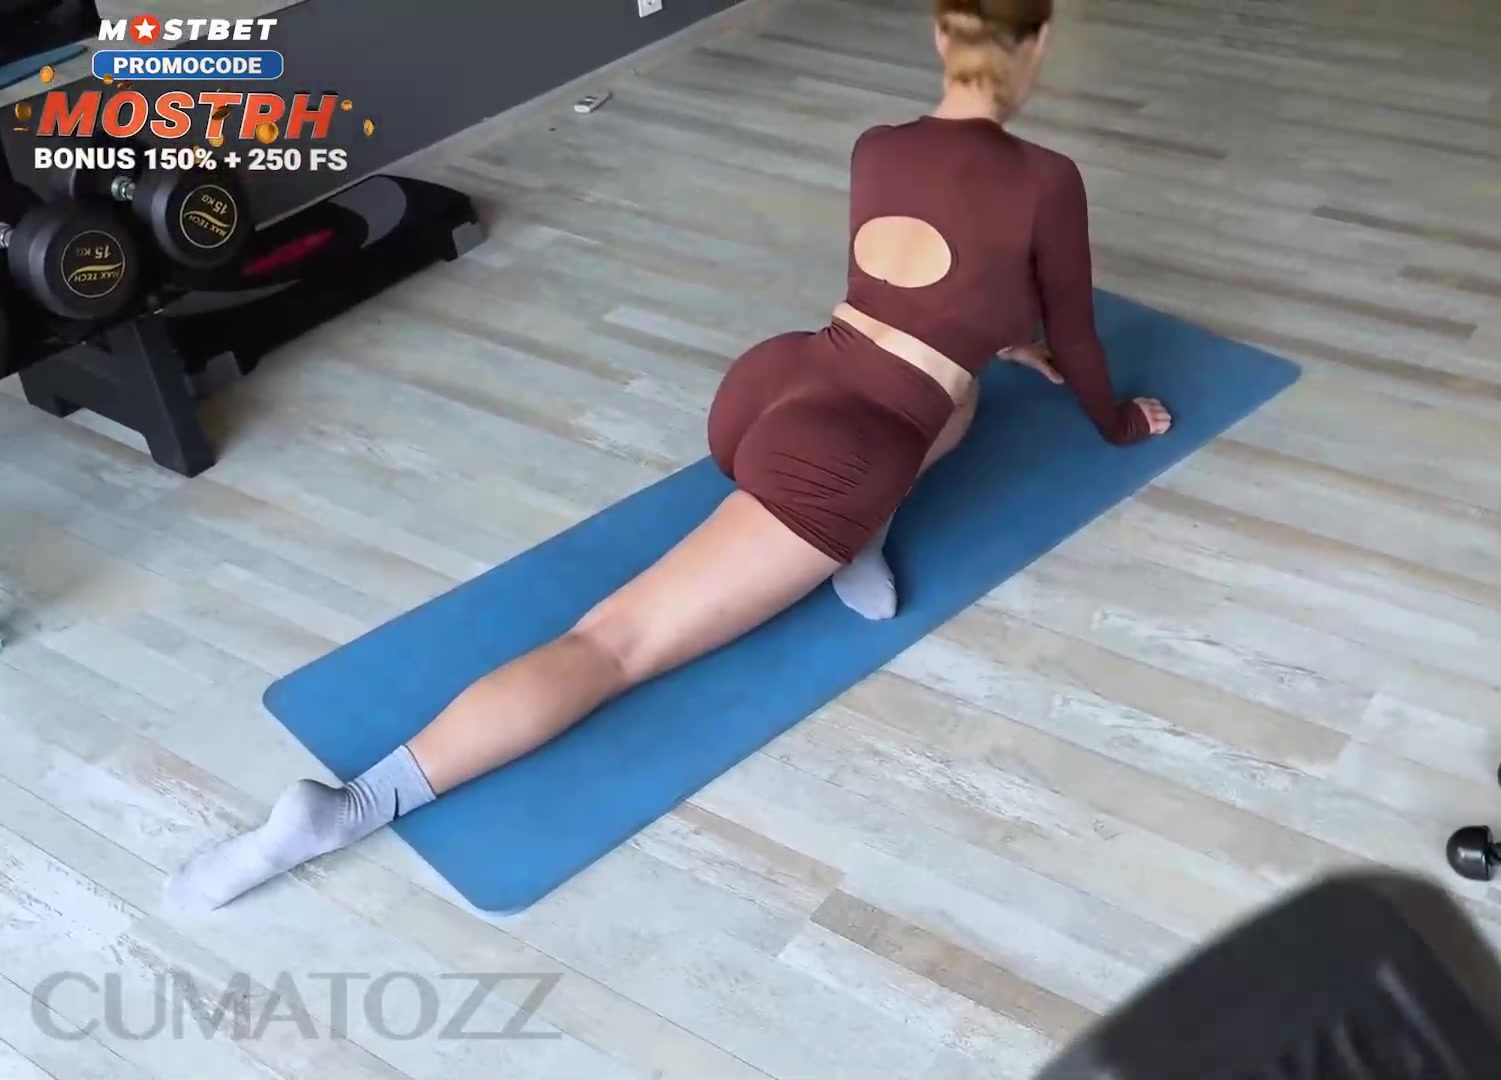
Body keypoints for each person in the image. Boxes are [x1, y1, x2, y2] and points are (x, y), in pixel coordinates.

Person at [164, 0, 1173, 913]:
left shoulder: (881, 145)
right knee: (612, 647)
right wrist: (1117, 420)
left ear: (940, 31)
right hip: (837, 455)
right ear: (1041, 43)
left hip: (774, 383)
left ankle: (850, 535)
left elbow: (921, 290)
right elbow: (1080, 340)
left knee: (954, 403)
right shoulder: (1046, 179)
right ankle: (349, 807)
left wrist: (1004, 340)